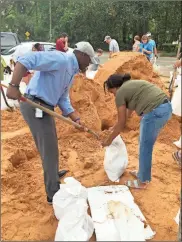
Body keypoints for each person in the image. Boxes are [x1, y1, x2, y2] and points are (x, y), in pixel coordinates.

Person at [6, 41, 98, 204]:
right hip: (35, 105)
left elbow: (63, 99)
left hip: (45, 106)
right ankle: (53, 194)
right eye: (89, 60)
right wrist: (14, 85)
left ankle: (53, 174)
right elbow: (26, 60)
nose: (89, 64)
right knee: (48, 149)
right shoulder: (61, 59)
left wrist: (75, 118)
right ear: (82, 55)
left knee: (51, 145)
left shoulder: (71, 72)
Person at [102, 74, 172, 189]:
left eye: (111, 92)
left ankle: (142, 181)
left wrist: (108, 140)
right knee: (143, 142)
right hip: (165, 108)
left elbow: (122, 122)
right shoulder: (130, 86)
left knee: (145, 146)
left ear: (115, 87)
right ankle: (142, 174)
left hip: (154, 111)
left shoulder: (120, 93)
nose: (113, 94)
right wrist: (114, 127)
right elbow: (127, 115)